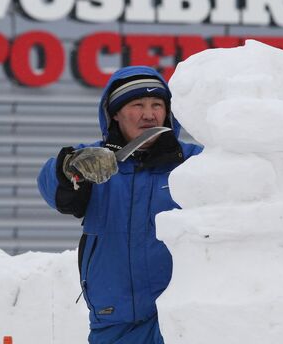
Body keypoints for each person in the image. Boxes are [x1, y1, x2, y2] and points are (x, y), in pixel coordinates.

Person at [37, 66, 202, 344]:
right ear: (114, 113)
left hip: (182, 315)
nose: (149, 114)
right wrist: (69, 167)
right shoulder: (94, 161)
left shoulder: (194, 162)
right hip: (114, 318)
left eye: (157, 105)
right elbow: (52, 188)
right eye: (137, 104)